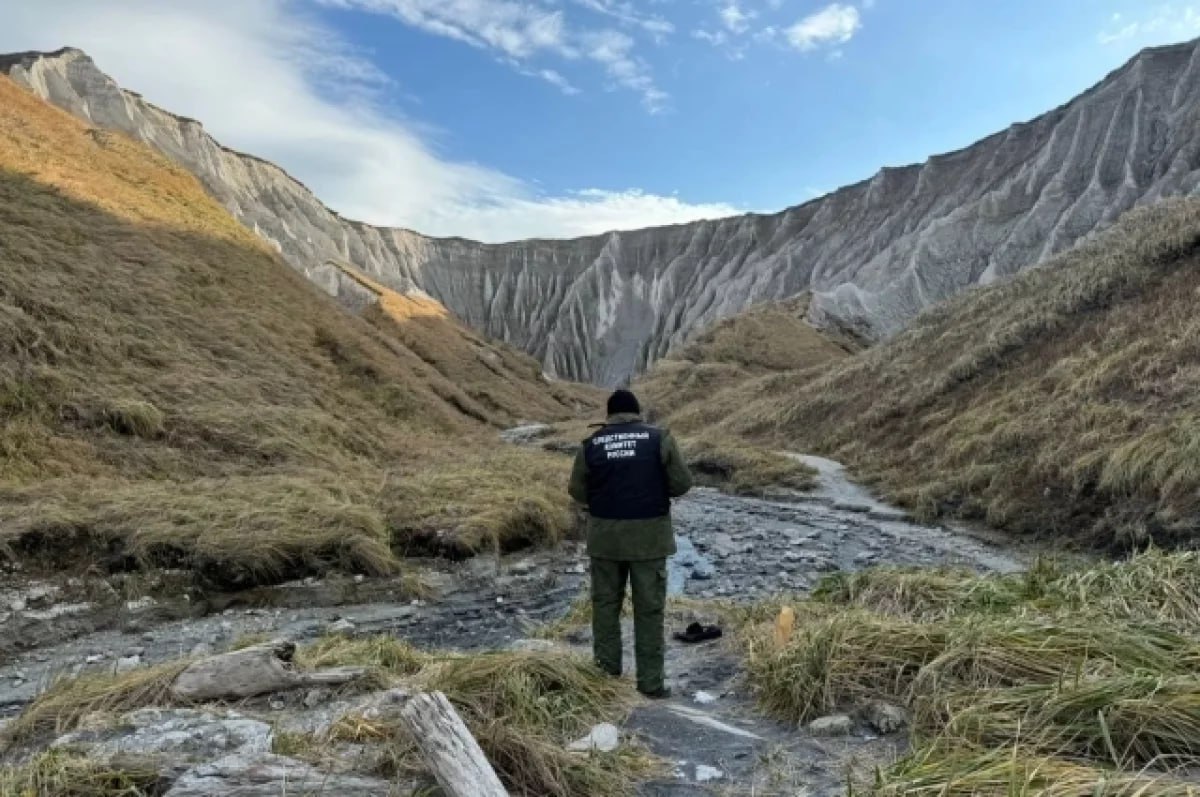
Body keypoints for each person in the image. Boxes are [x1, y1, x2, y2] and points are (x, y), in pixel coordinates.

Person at [568, 388, 692, 698]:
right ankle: (650, 684)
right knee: (649, 610)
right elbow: (681, 484)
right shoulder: (659, 438)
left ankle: (607, 676)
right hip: (649, 541)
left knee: (605, 607)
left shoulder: (591, 445)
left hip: (605, 540)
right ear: (637, 412)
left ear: (609, 415)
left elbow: (577, 491)